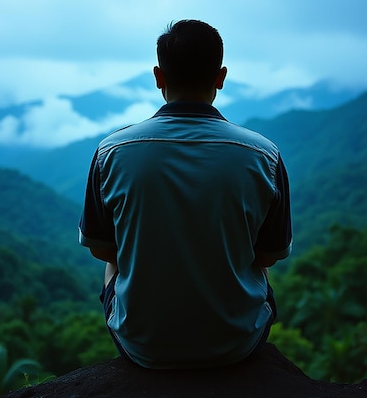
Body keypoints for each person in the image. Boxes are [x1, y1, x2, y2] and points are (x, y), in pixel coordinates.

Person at [78, 19, 292, 369]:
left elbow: (102, 248)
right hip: (236, 344)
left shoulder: (111, 151)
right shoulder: (264, 155)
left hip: (144, 347)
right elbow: (270, 255)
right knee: (255, 261)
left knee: (113, 256)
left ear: (158, 76)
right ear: (221, 77)